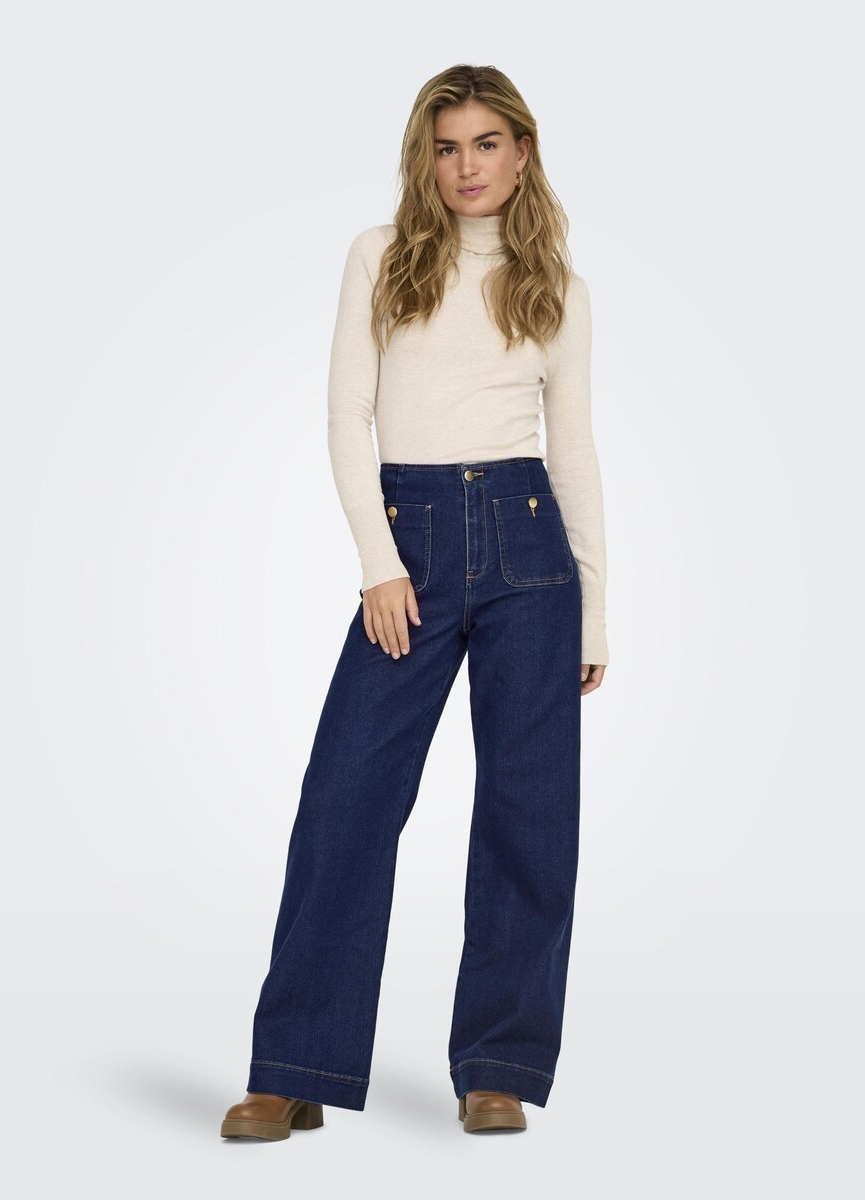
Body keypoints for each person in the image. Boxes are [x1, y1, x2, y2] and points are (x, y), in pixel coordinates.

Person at [220, 62, 609, 1141]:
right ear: (424, 159)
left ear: (521, 153)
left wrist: (595, 609)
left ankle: (499, 1066)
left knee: (530, 814)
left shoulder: (558, 287)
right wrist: (379, 565)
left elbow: (574, 451)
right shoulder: (382, 257)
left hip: (531, 549)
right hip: (414, 547)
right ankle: (295, 1066)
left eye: (486, 144)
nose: (466, 166)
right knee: (345, 798)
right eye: (447, 147)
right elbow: (346, 413)